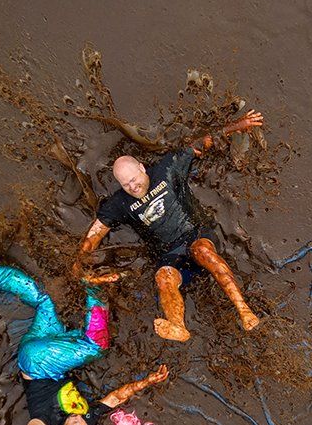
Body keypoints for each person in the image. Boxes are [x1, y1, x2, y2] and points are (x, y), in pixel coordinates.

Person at [0, 250, 169, 425]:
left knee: (96, 347)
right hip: (43, 344)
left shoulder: (47, 421)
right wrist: (147, 381)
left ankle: (92, 287)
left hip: (37, 363)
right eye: (82, 423)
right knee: (44, 302)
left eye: (73, 422)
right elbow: (116, 398)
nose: (78, 416)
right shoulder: (87, 418)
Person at [75, 110, 265, 342]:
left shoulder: (166, 169)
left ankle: (243, 309)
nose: (132, 187)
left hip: (196, 234)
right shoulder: (118, 203)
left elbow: (200, 143)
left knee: (202, 251)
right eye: (126, 185)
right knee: (163, 278)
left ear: (142, 169)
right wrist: (79, 263)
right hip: (170, 254)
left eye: (134, 179)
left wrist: (238, 125)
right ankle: (178, 327)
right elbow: (94, 235)